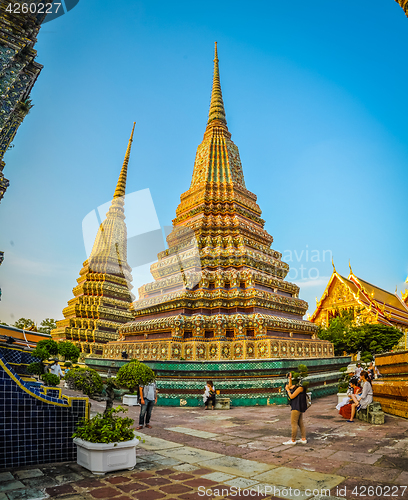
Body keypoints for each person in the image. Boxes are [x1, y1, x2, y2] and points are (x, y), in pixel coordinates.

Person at [283, 373, 308, 445]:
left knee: (293, 423)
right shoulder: (299, 387)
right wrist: (289, 378)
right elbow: (291, 386)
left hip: (296, 407)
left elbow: (291, 396)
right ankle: (303, 438)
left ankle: (293, 440)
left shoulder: (300, 388)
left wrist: (287, 390)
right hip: (298, 407)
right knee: (300, 423)